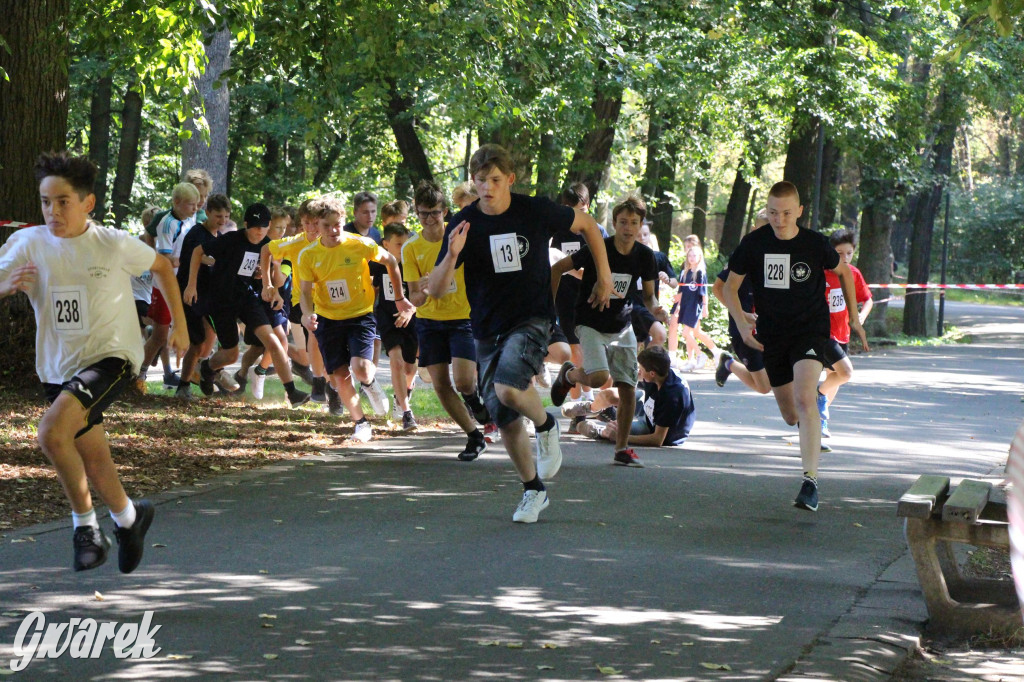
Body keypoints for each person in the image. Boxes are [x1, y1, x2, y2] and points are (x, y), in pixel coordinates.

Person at [0, 152, 189, 573]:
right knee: (94, 457)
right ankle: (129, 518)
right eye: (46, 201)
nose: (52, 211)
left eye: (63, 201)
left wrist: (181, 327)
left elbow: (162, 267)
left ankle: (85, 528)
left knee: (50, 433)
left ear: (87, 203)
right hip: (57, 368)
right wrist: (6, 286)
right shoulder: (28, 243)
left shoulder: (112, 243)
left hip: (112, 357)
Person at [429, 144, 612, 523]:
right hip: (486, 328)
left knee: (508, 387)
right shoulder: (463, 223)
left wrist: (605, 275)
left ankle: (546, 424)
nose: (487, 188)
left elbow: (588, 225)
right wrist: (451, 254)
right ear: (473, 182)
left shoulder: (535, 209)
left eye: (495, 180)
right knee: (506, 417)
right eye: (480, 181)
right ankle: (533, 491)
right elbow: (433, 289)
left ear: (510, 179)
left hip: (532, 317)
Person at [720, 181, 863, 513]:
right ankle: (806, 433)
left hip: (811, 332)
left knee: (805, 397)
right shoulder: (753, 244)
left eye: (786, 213)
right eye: (772, 212)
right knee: (790, 414)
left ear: (799, 212)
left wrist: (854, 316)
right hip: (773, 335)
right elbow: (730, 286)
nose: (779, 220)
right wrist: (741, 323)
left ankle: (810, 482)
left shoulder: (814, 244)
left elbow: (844, 271)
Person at [549, 193, 667, 468]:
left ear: (640, 226)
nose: (628, 227)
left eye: (634, 222)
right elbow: (558, 268)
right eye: (623, 222)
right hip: (589, 322)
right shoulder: (597, 248)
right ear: (614, 223)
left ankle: (621, 449)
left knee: (627, 389)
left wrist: (657, 310)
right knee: (599, 377)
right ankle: (569, 373)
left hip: (622, 326)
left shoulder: (645, 256)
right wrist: (549, 309)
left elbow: (649, 297)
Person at [298, 197, 409, 442]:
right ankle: (361, 423)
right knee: (339, 376)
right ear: (317, 225)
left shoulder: (359, 244)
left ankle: (369, 383)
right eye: (326, 226)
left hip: (360, 315)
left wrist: (399, 297)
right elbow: (305, 292)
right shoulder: (308, 255)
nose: (333, 230)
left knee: (360, 368)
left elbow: (391, 261)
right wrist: (307, 314)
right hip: (328, 319)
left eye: (337, 224)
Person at [183, 202, 310, 408]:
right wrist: (191, 285)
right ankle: (207, 368)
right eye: (254, 226)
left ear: (268, 225)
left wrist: (269, 286)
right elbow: (198, 252)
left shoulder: (268, 245)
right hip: (221, 300)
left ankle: (292, 391)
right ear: (245, 224)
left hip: (248, 298)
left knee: (274, 341)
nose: (258, 231)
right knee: (231, 354)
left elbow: (269, 274)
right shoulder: (231, 239)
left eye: (263, 226)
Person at [403, 180, 489, 459]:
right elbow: (414, 298)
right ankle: (474, 436)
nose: (429, 220)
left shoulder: (459, 238)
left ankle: (475, 401)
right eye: (423, 214)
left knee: (464, 381)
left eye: (435, 213)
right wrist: (427, 288)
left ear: (445, 212)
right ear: (416, 213)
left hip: (462, 318)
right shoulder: (411, 248)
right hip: (430, 322)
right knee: (441, 385)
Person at [566, 345, 695, 448]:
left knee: (616, 429)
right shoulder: (661, 372)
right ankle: (591, 408)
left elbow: (657, 440)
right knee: (609, 394)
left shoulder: (671, 397)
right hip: (650, 406)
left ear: (652, 373)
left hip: (654, 428)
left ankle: (601, 432)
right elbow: (628, 386)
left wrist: (620, 437)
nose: (639, 371)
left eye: (641, 369)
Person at [175, 193, 232, 401]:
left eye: (226, 217)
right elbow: (196, 258)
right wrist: (191, 286)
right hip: (190, 293)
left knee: (217, 336)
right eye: (218, 216)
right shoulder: (197, 233)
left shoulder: (219, 237)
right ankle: (183, 386)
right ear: (207, 213)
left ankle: (208, 372)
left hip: (209, 295)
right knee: (197, 343)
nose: (223, 221)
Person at [817, 228, 873, 437]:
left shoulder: (853, 274)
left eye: (849, 253)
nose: (845, 258)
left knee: (835, 377)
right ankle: (817, 398)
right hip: (822, 335)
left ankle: (819, 418)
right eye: (840, 253)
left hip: (842, 334)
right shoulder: (820, 272)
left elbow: (868, 299)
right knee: (846, 373)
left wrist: (861, 317)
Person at [712, 210, 772, 394]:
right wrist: (741, 313)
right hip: (743, 328)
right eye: (763, 231)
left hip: (767, 329)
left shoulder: (778, 259)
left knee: (772, 381)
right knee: (764, 387)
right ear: (753, 230)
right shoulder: (741, 255)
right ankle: (728, 363)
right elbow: (718, 288)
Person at [372, 221, 419, 430]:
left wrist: (411, 310)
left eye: (405, 243)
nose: (403, 248)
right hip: (387, 317)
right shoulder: (377, 263)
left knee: (410, 367)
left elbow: (421, 293)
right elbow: (370, 288)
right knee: (396, 360)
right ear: (386, 244)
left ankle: (404, 392)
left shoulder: (413, 262)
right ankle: (406, 412)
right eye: (398, 244)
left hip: (412, 318)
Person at [674, 245, 721, 371]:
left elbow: (703, 291)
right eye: (690, 255)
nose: (692, 258)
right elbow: (682, 291)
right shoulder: (685, 272)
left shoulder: (700, 272)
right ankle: (708, 355)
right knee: (695, 333)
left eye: (694, 255)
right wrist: (678, 303)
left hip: (695, 306)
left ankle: (701, 355)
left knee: (686, 333)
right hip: (685, 305)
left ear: (700, 257)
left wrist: (705, 307)